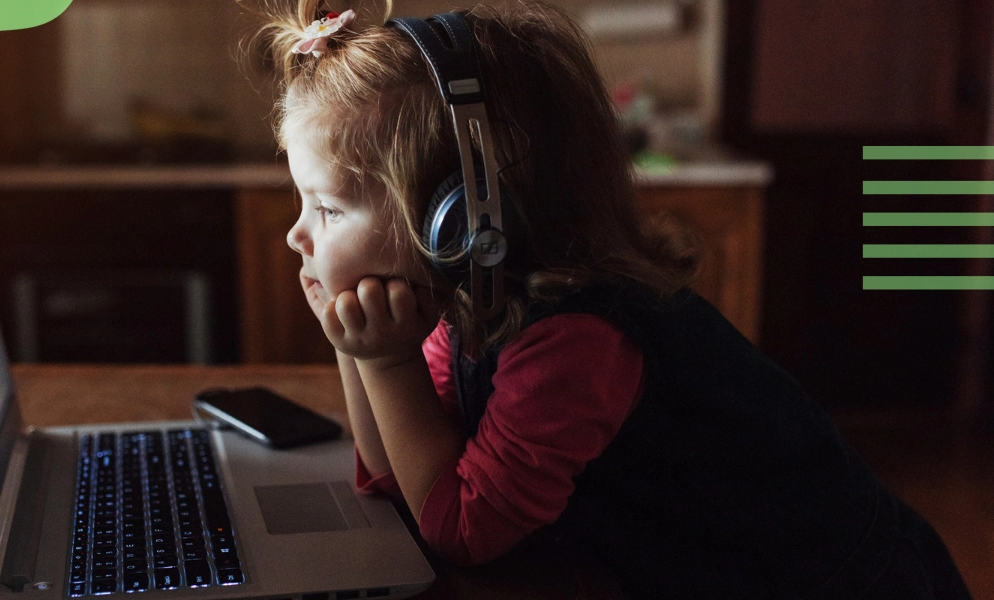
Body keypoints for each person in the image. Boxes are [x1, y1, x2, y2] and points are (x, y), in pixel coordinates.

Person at [239, 0, 973, 597]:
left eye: (327, 209)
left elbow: (460, 528)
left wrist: (386, 363)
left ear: (462, 217)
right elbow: (401, 479)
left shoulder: (577, 340)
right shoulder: (469, 301)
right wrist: (359, 350)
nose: (298, 236)